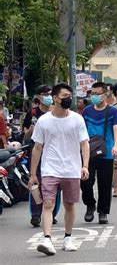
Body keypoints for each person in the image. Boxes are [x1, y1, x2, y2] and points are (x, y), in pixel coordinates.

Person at [28, 83, 90, 256]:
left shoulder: (77, 119)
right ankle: (47, 239)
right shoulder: (44, 121)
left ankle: (67, 237)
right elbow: (37, 147)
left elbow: (84, 143)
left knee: (69, 204)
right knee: (48, 204)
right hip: (50, 168)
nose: (68, 99)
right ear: (55, 98)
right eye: (64, 96)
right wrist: (33, 174)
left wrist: (85, 165)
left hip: (71, 169)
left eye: (69, 95)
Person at [81, 82, 117, 224]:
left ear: (105, 94)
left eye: (97, 94)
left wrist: (115, 146)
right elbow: (81, 130)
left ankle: (103, 212)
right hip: (88, 152)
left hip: (107, 152)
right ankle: (90, 204)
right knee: (85, 182)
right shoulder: (86, 111)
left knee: (105, 184)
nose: (94, 96)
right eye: (92, 93)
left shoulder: (113, 112)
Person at [23, 85, 60, 227]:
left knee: (55, 183)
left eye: (51, 94)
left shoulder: (57, 112)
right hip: (37, 150)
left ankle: (50, 213)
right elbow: (25, 134)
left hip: (54, 152)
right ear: (38, 97)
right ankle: (36, 214)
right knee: (36, 181)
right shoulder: (32, 113)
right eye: (46, 94)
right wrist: (31, 130)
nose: (49, 96)